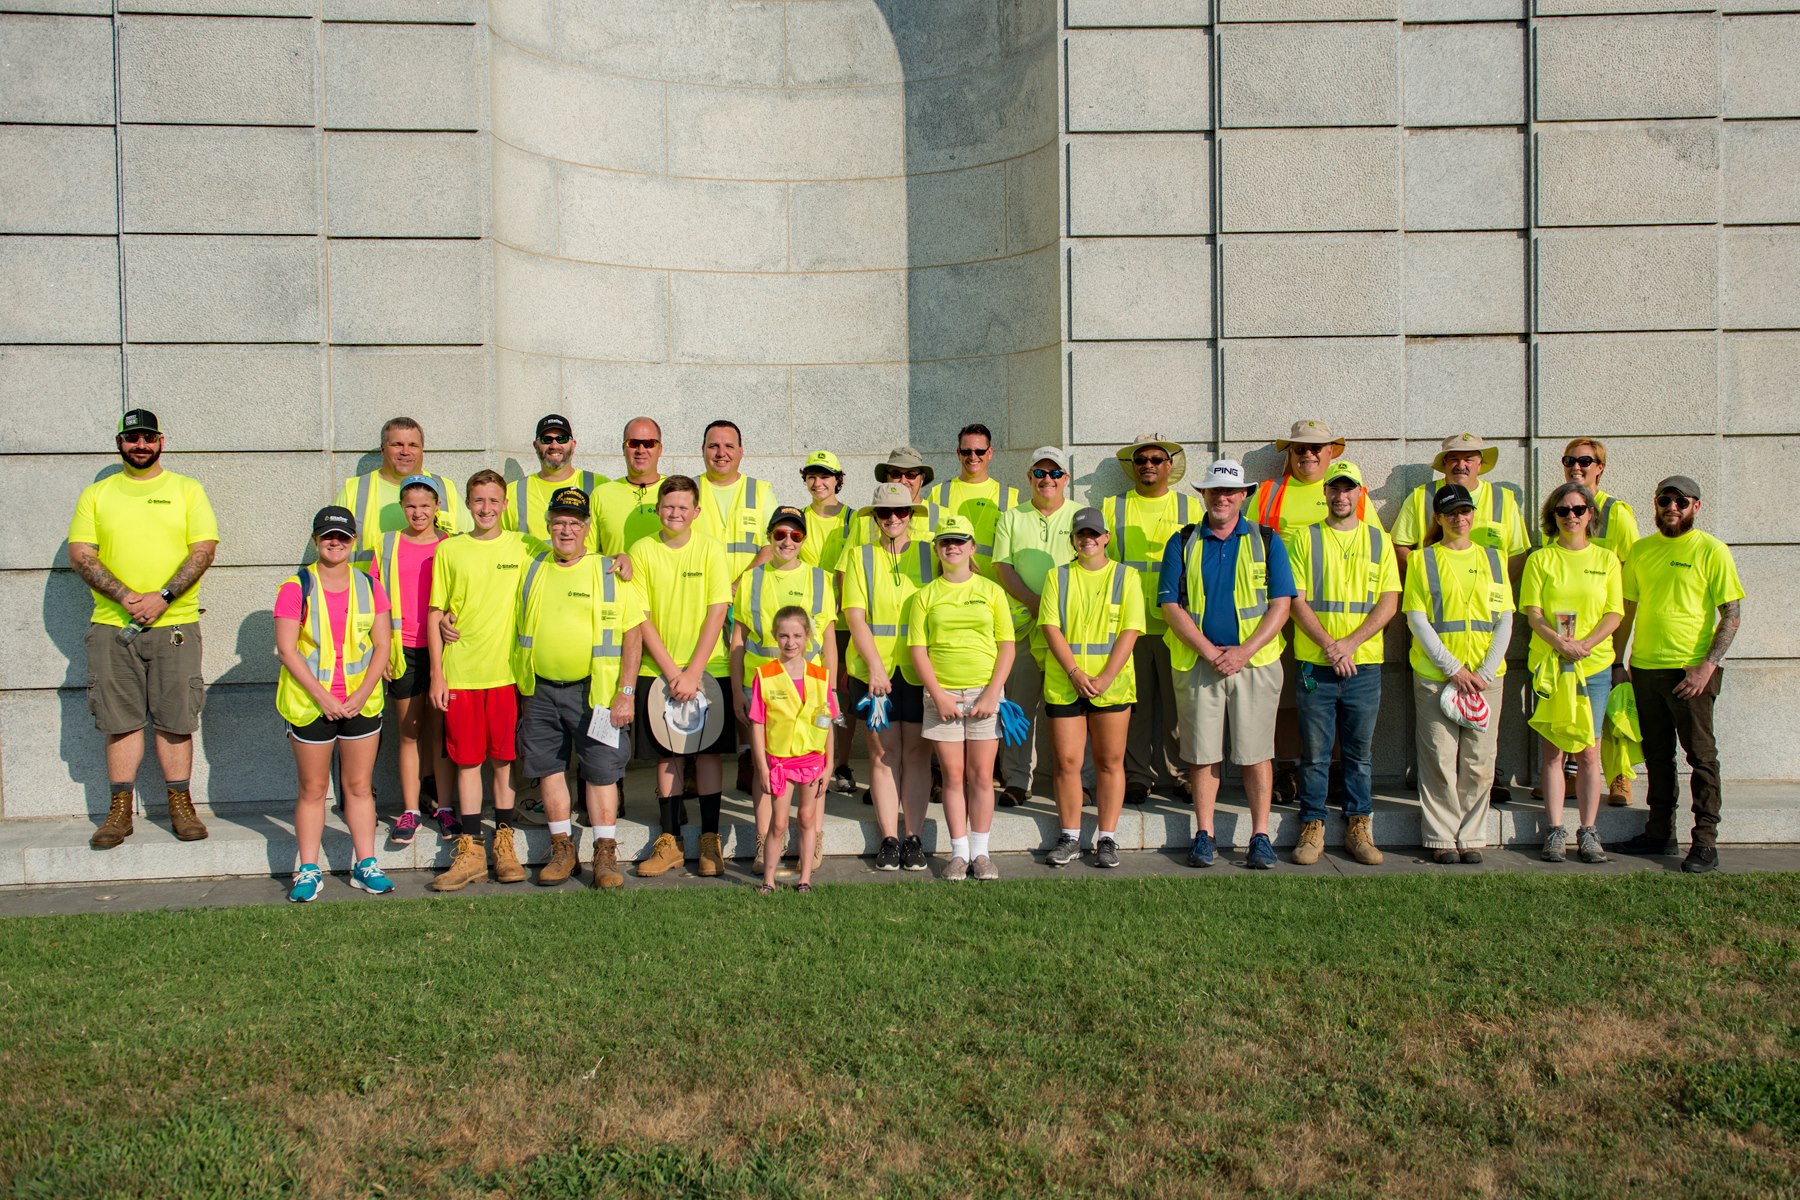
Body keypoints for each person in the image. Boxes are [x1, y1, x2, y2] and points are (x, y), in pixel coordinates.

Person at [70, 408, 219, 850]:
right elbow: (81, 554)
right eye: (132, 438)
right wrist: (125, 597)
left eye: (147, 437)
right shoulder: (96, 494)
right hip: (112, 626)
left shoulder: (186, 490)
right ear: (120, 443)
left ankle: (181, 805)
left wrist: (163, 597)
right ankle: (119, 812)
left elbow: (203, 550)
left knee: (176, 719)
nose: (140, 445)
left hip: (175, 624)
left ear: (161, 441)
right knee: (120, 720)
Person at [1160, 461, 1296, 870]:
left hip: (1254, 665)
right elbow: (1171, 606)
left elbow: (1281, 605)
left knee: (1257, 754)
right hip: (1199, 664)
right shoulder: (1182, 540)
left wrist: (1244, 651)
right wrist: (1209, 651)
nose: (1221, 497)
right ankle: (1205, 834)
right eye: (1213, 490)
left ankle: (1260, 835)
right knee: (1201, 755)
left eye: (1229, 491)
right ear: (1204, 495)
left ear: (1243, 495)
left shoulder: (1267, 539)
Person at [510, 486, 644, 888]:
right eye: (558, 522)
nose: (565, 530)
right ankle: (562, 849)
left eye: (573, 523)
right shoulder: (532, 566)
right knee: (549, 769)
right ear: (548, 526)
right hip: (541, 690)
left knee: (601, 772)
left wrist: (626, 691)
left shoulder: (609, 570)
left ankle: (604, 855)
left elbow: (633, 635)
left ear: (587, 529)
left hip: (596, 693)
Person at [1392, 432, 1532, 806]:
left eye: (1469, 458)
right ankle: (1442, 822)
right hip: (1438, 634)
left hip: (1487, 637)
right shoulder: (1421, 497)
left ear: (1481, 463)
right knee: (1438, 744)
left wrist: (1492, 588)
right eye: (1453, 457)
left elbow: (1515, 555)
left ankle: (1474, 819)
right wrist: (1429, 579)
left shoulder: (1503, 500)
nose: (1461, 463)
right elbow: (1402, 546)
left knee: (1480, 752)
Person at [1252, 419, 1386, 806]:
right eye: (1299, 448)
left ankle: (1338, 774)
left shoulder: (1348, 495)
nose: (1307, 454)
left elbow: (1371, 549)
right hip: (1271, 613)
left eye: (1316, 448)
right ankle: (1289, 771)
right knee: (1284, 698)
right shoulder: (1267, 493)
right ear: (1288, 453)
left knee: (1340, 696)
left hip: (1329, 624)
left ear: (1331, 453)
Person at [1614, 476, 1743, 874]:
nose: (1672, 507)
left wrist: (1708, 665)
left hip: (1691, 672)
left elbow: (1732, 614)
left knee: (1701, 757)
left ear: (1696, 507)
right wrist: (1620, 662)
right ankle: (1659, 832)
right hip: (1646, 668)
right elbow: (1628, 609)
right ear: (1655, 504)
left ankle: (1704, 842)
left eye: (1681, 501)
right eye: (1665, 500)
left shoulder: (1712, 550)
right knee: (1656, 755)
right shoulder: (1641, 550)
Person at [274, 506, 396, 901]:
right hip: (313, 705)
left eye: (343, 537)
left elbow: (382, 645)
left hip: (360, 704)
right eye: (328, 536)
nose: (335, 542)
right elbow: (287, 650)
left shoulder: (370, 585)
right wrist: (324, 698)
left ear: (353, 541)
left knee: (360, 787)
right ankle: (308, 869)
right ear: (315, 540)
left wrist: (360, 695)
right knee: (313, 789)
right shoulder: (296, 586)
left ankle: (366, 864)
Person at [1282, 461, 1398, 867]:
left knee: (1359, 754)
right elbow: (1295, 600)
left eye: (1349, 489)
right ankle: (1312, 824)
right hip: (1316, 664)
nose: (1341, 496)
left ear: (1360, 494)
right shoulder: (1304, 539)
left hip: (1363, 664)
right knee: (1314, 753)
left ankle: (1357, 825)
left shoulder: (1379, 541)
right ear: (1325, 492)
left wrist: (1348, 644)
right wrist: (1331, 645)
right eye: (1335, 488)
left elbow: (1389, 601)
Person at [427, 470, 530, 891]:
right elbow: (436, 613)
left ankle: (503, 844)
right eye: (478, 501)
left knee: (503, 759)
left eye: (493, 500)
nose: (486, 508)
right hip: (463, 673)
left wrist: (623, 559)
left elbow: (572, 556)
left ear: (505, 505)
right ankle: (470, 849)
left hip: (506, 674)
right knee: (468, 761)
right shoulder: (450, 550)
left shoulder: (524, 546)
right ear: (467, 505)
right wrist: (438, 673)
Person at [1401, 484, 1515, 864]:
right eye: (1451, 513)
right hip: (1437, 676)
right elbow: (1417, 619)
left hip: (1485, 679)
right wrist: (1453, 669)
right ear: (1438, 518)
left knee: (1480, 760)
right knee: (1438, 756)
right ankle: (1440, 837)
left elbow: (1504, 620)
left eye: (1465, 511)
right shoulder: (1422, 561)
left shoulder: (1495, 560)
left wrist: (1482, 671)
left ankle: (1471, 835)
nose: (1459, 518)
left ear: (1473, 514)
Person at [630, 476, 732, 877]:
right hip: (658, 672)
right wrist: (673, 671)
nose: (675, 513)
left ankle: (710, 840)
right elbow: (640, 616)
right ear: (658, 508)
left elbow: (718, 610)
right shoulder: (642, 551)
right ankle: (669, 840)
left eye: (683, 507)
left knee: (706, 753)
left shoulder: (710, 550)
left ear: (696, 512)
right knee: (668, 754)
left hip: (708, 669)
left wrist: (694, 671)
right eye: (668, 506)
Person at [730, 506, 837, 873]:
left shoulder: (820, 579)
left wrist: (832, 690)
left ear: (803, 539)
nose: (787, 541)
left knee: (813, 762)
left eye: (795, 535)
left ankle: (814, 837)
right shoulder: (752, 579)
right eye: (780, 534)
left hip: (811, 688)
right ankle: (765, 840)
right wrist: (736, 690)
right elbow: (738, 639)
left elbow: (829, 643)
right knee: (767, 766)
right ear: (770, 537)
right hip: (763, 686)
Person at [1520, 481, 1622, 865]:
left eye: (1578, 510)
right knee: (1553, 750)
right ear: (1553, 517)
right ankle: (1554, 830)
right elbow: (1533, 613)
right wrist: (1560, 644)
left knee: (1590, 750)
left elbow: (1614, 613)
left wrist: (1586, 645)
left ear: (1590, 514)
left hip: (1591, 667)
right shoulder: (1541, 560)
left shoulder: (1607, 559)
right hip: (1551, 665)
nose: (1571, 517)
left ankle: (1589, 830)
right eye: (1563, 511)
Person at [908, 516, 1015, 881]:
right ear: (937, 549)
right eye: (945, 542)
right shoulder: (925, 596)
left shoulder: (991, 591)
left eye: (959, 541)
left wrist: (991, 694)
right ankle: (958, 853)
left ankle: (981, 854)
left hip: (985, 693)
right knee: (953, 776)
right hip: (944, 696)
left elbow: (1007, 647)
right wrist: (937, 696)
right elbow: (919, 651)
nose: (952, 547)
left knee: (982, 775)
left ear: (972, 547)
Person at [1037, 507, 1142, 868]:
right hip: (1067, 683)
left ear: (1106, 538)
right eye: (1081, 534)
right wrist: (1075, 673)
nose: (1088, 540)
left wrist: (1105, 678)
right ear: (1073, 539)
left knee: (1109, 761)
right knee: (1067, 762)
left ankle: (1107, 838)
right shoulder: (1057, 576)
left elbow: (1130, 631)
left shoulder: (1126, 577)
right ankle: (1070, 836)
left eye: (1094, 534)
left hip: (1110, 686)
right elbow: (1050, 626)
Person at [841, 482, 937, 871]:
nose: (893, 519)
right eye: (885, 513)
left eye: (901, 512)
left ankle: (913, 836)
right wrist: (876, 666)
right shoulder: (860, 556)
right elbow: (854, 616)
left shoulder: (933, 554)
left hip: (919, 671)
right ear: (875, 518)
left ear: (911, 515)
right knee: (882, 755)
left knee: (917, 753)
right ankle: (888, 838)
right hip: (874, 671)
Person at [1107, 433, 1200, 805]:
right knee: (1136, 705)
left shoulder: (1191, 508)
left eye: (1156, 459)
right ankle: (1138, 776)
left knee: (1180, 707)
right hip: (1131, 625)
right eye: (1141, 459)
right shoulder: (1112, 508)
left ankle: (1181, 774)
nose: (1148, 464)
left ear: (1169, 465)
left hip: (1179, 625)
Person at [370, 474, 453, 844]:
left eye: (425, 505)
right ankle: (409, 811)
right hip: (403, 651)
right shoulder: (387, 544)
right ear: (402, 508)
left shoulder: (451, 546)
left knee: (440, 734)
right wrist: (382, 650)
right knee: (409, 733)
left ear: (437, 508)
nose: (418, 512)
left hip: (444, 650)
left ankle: (446, 808)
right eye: (411, 506)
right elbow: (376, 602)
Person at [992, 447, 1076, 807]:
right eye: (1039, 473)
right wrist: (1037, 604)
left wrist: (1058, 613)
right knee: (1019, 707)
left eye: (1054, 474)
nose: (1047, 480)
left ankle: (1081, 781)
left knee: (1071, 709)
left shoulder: (1080, 516)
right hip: (1025, 627)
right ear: (1029, 478)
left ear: (1065, 479)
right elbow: (1003, 568)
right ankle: (1016, 779)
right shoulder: (1011, 518)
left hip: (1069, 633)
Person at [1560, 437, 1641, 807]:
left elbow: (1632, 578)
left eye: (1586, 461)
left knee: (1613, 700)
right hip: (1570, 628)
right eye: (1570, 460)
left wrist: (1620, 643)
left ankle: (1621, 776)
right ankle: (1571, 777)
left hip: (1610, 622)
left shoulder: (1616, 513)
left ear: (1600, 467)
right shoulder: (1561, 508)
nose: (1577, 467)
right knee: (1573, 708)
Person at [751, 607, 839, 894]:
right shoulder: (764, 676)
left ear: (808, 637)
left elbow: (828, 723)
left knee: (806, 818)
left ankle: (805, 879)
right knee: (777, 822)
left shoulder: (821, 676)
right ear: (776, 637)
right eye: (784, 635)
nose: (791, 642)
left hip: (812, 760)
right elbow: (757, 723)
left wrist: (829, 765)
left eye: (797, 635)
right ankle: (769, 879)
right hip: (779, 761)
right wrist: (762, 766)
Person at [800, 450, 858, 796]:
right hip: (808, 623)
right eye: (812, 475)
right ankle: (812, 757)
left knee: (843, 695)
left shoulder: (854, 519)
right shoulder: (797, 519)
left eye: (825, 476)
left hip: (842, 621)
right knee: (810, 692)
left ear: (838, 478)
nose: (818, 482)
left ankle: (842, 763)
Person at [331, 416, 465, 566]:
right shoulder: (354, 490)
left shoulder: (444, 488)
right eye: (397, 444)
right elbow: (329, 548)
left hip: (434, 588)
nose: (405, 451)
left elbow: (472, 542)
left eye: (413, 445)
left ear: (422, 450)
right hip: (369, 587)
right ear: (383, 449)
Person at [502, 414, 606, 555]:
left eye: (561, 439)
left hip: (587, 575)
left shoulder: (600, 485)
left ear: (573, 444)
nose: (554, 445)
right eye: (547, 439)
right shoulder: (512, 492)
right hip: (533, 576)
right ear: (536, 445)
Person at [929, 423, 1021, 579]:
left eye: (980, 451)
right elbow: (930, 542)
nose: (973, 457)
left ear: (990, 453)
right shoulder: (939, 493)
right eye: (966, 452)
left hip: (993, 589)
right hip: (949, 590)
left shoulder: (1008, 496)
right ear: (958, 453)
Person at [694, 419, 774, 588]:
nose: (721, 453)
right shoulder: (687, 490)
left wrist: (738, 586)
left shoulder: (761, 491)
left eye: (729, 446)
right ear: (702, 450)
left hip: (747, 599)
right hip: (700, 598)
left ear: (740, 451)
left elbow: (772, 548)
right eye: (713, 446)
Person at [593, 415, 667, 558]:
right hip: (616, 580)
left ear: (660, 449)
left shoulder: (676, 492)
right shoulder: (602, 494)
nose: (641, 449)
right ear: (623, 448)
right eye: (633, 443)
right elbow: (588, 553)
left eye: (649, 443)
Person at [845, 446, 941, 547]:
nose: (903, 481)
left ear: (922, 479)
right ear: (886, 478)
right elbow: (847, 561)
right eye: (896, 474)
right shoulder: (863, 520)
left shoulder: (942, 515)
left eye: (911, 474)